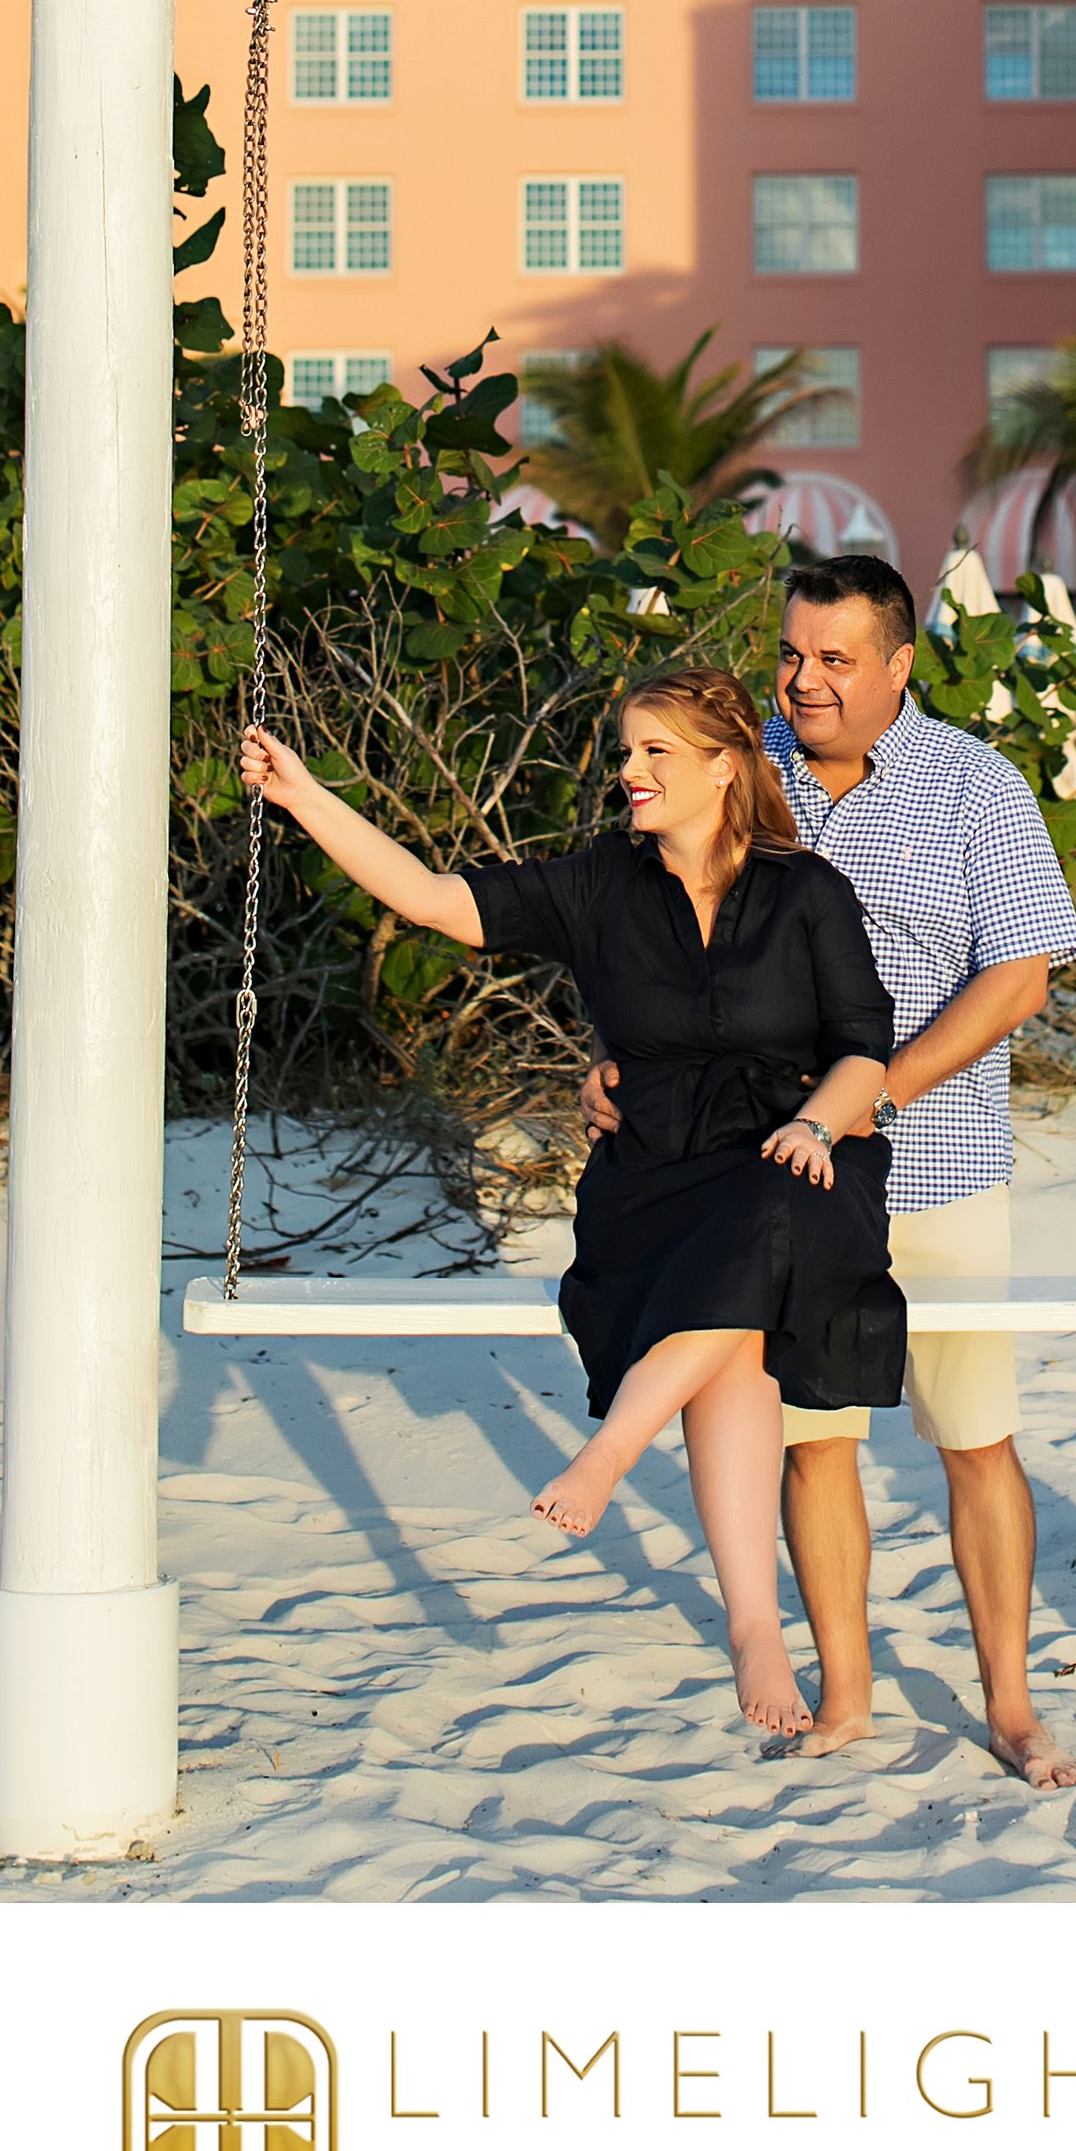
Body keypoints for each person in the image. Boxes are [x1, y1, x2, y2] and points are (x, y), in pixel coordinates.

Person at [241, 667, 904, 1740]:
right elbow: (434, 899)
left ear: (723, 767)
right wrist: (303, 795)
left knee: (766, 1214)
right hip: (651, 1170)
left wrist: (819, 1122)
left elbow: (863, 1045)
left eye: (655, 754)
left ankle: (611, 1454)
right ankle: (751, 1622)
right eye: (625, 752)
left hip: (800, 1154)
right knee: (729, 1334)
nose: (628, 773)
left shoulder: (805, 889)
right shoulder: (602, 884)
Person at [583, 554, 1076, 1787]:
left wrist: (866, 1095)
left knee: (975, 1439)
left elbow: (1018, 977)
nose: (804, 681)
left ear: (899, 664)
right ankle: (848, 1692)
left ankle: (1012, 1705)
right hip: (766, 1184)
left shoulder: (976, 786)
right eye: (792, 656)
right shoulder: (726, 767)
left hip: (942, 1166)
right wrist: (614, 1064)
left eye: (835, 660)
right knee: (815, 1443)